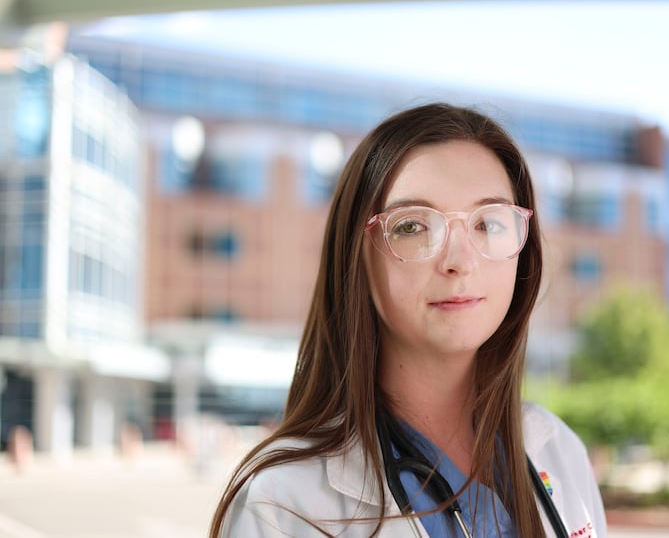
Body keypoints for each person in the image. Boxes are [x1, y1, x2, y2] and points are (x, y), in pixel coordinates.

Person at [209, 103, 607, 538]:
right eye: (413, 227)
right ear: (357, 257)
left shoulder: (558, 452)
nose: (460, 261)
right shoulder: (283, 503)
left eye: (488, 224)